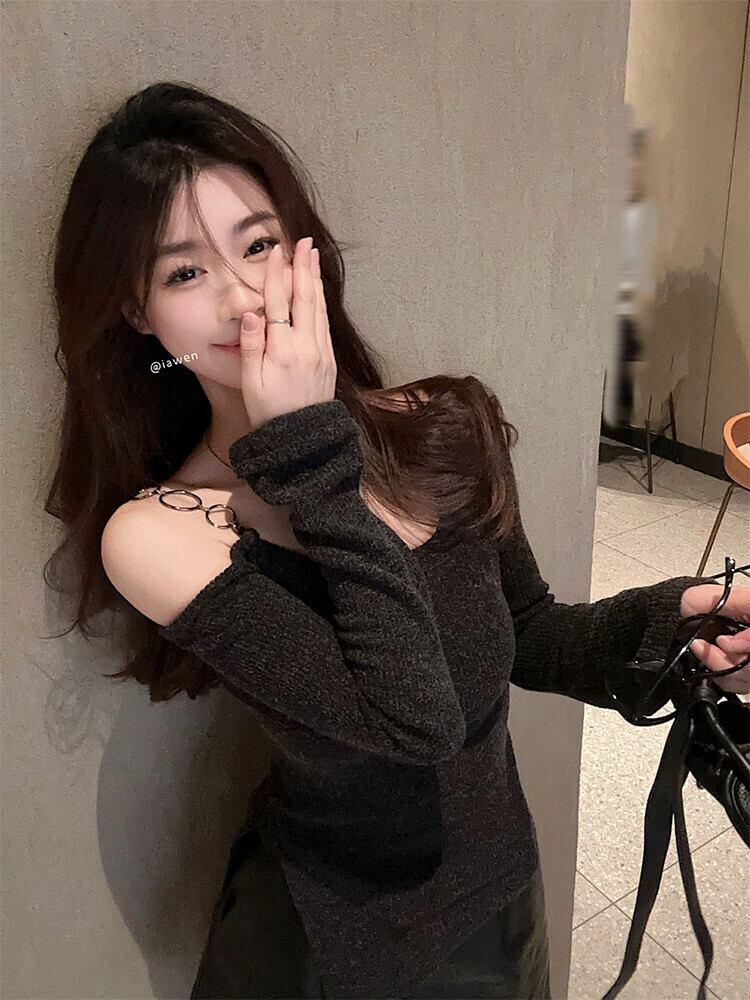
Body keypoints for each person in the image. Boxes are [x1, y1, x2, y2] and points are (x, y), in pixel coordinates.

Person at [44, 82, 744, 999]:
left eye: (257, 245)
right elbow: (414, 724)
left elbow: (529, 633)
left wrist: (682, 620)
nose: (244, 297)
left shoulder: (440, 424)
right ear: (140, 315)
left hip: (506, 898)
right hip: (341, 952)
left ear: (303, 251)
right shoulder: (162, 533)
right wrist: (304, 451)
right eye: (183, 274)